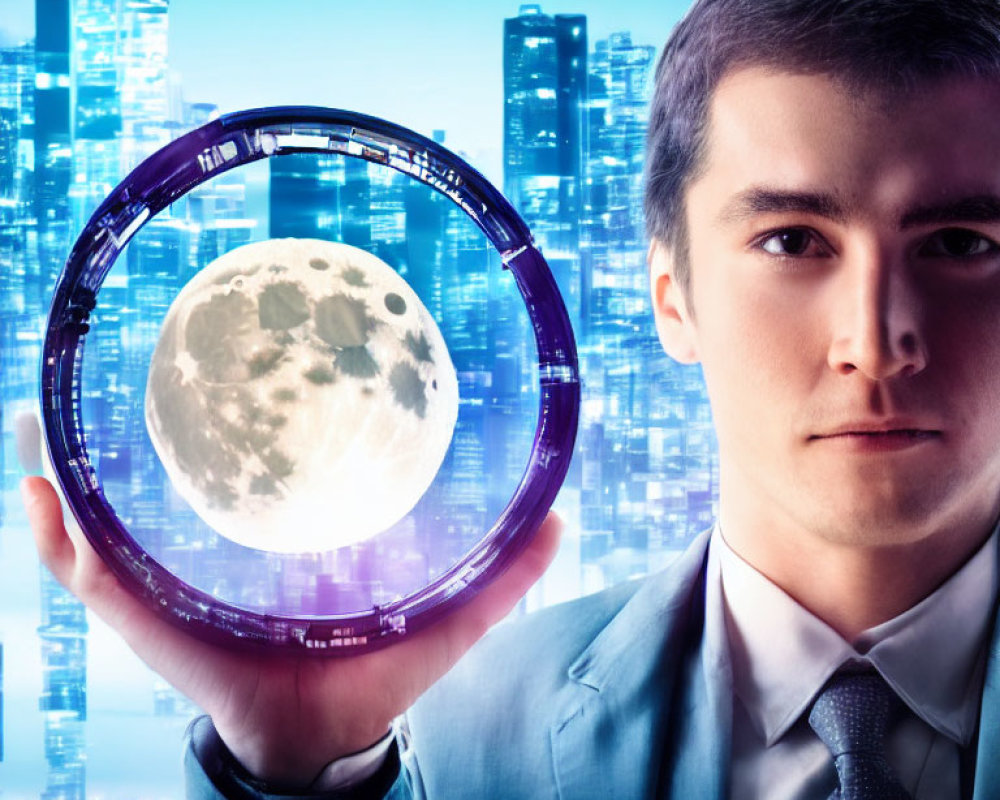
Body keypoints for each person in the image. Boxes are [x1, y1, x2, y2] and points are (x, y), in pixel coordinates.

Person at [20, 0, 1000, 796]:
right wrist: (296, 772)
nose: (875, 341)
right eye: (790, 240)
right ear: (672, 297)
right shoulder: (448, 735)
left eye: (960, 243)